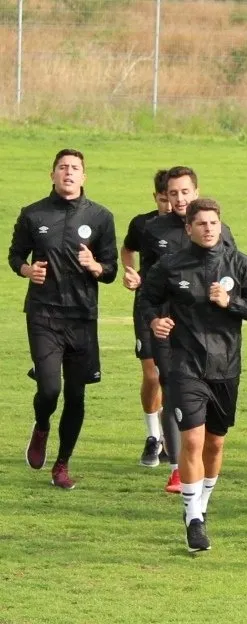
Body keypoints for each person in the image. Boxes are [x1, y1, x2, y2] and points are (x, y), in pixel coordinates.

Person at [138, 198, 247, 552]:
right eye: (201, 223)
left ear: (220, 225)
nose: (209, 228)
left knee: (215, 443)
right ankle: (193, 518)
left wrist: (232, 303)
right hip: (185, 364)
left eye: (213, 223)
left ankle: (202, 504)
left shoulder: (240, 264)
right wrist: (155, 321)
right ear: (189, 228)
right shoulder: (171, 266)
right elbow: (147, 299)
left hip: (226, 367)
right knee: (193, 441)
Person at [11, 148, 118, 489]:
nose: (68, 172)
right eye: (62, 167)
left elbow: (111, 269)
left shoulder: (101, 217)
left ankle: (62, 465)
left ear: (84, 176)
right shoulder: (33, 214)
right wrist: (27, 270)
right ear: (52, 174)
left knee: (75, 395)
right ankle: (42, 426)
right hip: (43, 313)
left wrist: (95, 266)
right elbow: (15, 256)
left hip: (82, 317)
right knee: (49, 388)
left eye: (74, 168)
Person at [139, 166, 237, 493]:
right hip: (168, 328)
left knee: (203, 409)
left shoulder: (220, 231)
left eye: (185, 192)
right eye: (173, 193)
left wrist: (228, 303)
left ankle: (192, 460)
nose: (179, 198)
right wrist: (153, 317)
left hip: (208, 332)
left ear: (196, 192)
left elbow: (233, 274)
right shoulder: (153, 230)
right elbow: (147, 283)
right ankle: (177, 468)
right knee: (170, 386)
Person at [121, 169, 173, 467]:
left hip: (180, 311)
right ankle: (153, 437)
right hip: (148, 307)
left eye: (174, 197)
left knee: (173, 377)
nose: (169, 204)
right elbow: (127, 249)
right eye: (164, 199)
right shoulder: (143, 225)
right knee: (152, 375)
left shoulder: (191, 224)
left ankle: (172, 439)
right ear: (156, 197)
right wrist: (132, 274)